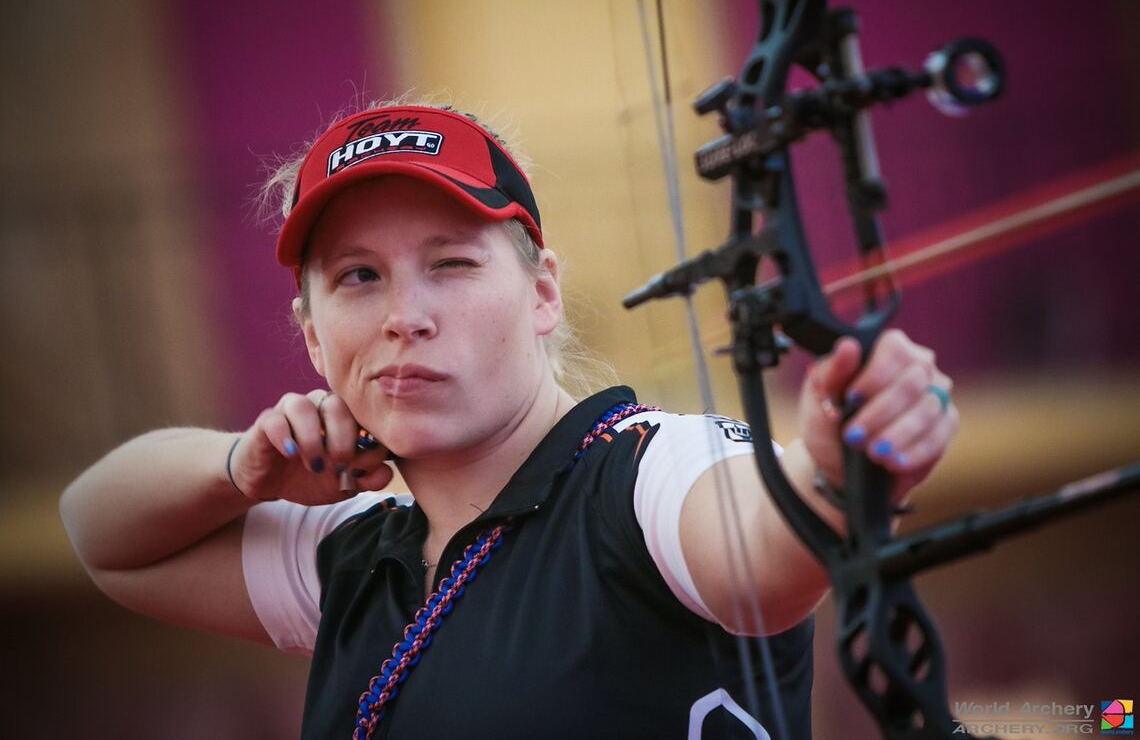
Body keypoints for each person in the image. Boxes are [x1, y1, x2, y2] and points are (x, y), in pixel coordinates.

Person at [60, 102, 958, 740]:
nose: (404, 316)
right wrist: (244, 470)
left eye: (451, 263)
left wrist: (836, 468)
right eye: (358, 276)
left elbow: (760, 542)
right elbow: (102, 536)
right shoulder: (358, 549)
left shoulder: (646, 474)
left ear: (541, 293)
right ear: (313, 337)